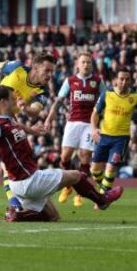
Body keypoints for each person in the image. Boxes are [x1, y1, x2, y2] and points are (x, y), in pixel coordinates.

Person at [0, 86, 123, 222]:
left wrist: (34, 130)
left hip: (22, 182)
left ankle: (18, 215)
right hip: (27, 179)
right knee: (76, 175)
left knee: (53, 217)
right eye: (11, 99)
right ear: (3, 102)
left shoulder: (10, 120)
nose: (14, 102)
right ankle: (102, 199)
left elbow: (19, 128)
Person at [0, 52, 56, 211]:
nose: (50, 75)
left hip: (9, 122)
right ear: (36, 68)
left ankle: (25, 201)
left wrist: (25, 107)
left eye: (52, 71)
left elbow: (35, 111)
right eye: (47, 70)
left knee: (19, 159)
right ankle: (14, 202)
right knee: (6, 160)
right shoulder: (17, 68)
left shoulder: (41, 92)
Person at [44, 52, 105, 207]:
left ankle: (79, 193)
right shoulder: (70, 81)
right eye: (83, 62)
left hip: (89, 124)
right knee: (65, 156)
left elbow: (106, 101)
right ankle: (68, 185)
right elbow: (58, 101)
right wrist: (49, 118)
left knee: (85, 156)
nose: (86, 65)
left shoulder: (98, 81)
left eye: (89, 62)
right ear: (77, 64)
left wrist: (102, 123)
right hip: (72, 123)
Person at [91, 67, 137, 197]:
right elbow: (95, 113)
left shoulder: (135, 97)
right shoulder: (107, 94)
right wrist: (93, 128)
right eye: (121, 79)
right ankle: (106, 189)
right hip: (103, 136)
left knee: (110, 168)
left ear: (131, 81)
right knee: (94, 170)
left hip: (121, 139)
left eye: (127, 79)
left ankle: (103, 199)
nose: (124, 82)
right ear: (116, 80)